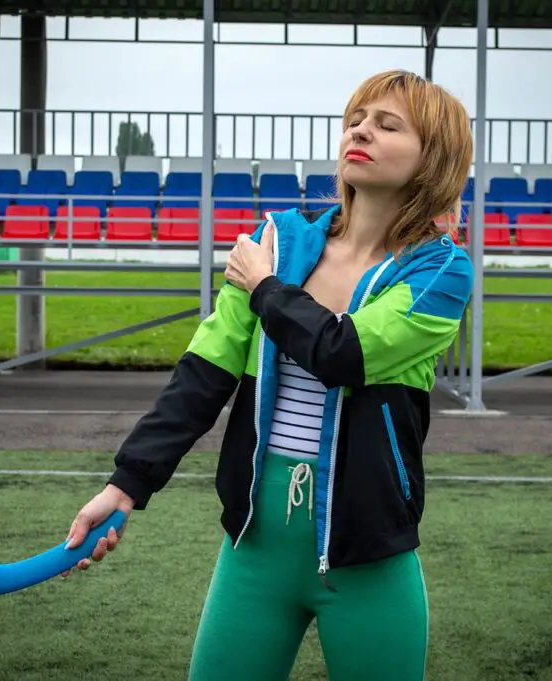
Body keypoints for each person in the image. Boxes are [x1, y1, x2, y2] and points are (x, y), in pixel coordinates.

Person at [62, 69, 474, 681]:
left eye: (388, 125)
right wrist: (127, 483)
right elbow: (205, 371)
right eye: (356, 119)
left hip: (369, 559)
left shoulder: (441, 271)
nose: (361, 130)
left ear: (432, 159)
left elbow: (341, 354)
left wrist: (264, 288)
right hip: (254, 549)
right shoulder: (277, 240)